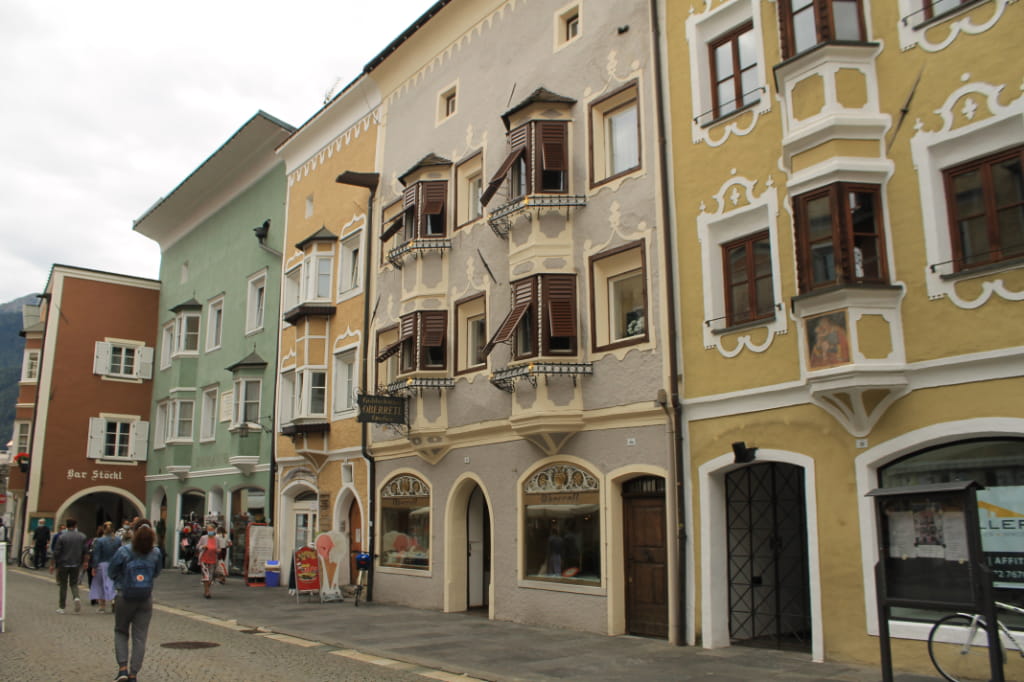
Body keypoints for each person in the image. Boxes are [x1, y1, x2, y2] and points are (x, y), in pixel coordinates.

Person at [108, 519, 162, 682]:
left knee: (121, 631)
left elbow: (111, 571)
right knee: (140, 637)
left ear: (134, 532)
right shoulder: (156, 552)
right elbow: (157, 572)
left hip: (125, 595)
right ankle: (133, 674)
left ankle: (122, 669)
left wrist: (121, 580)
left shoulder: (124, 550)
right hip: (145, 597)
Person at [50, 517, 87, 614]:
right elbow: (85, 551)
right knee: (74, 583)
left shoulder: (62, 537)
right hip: (76, 563)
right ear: (75, 526)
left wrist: (52, 564)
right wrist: (85, 562)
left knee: (63, 585)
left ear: (66, 526)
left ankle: (62, 607)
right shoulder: (82, 536)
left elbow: (56, 551)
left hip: (63, 563)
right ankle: (76, 597)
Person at [90, 522, 118, 613]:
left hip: (102, 564)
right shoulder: (117, 540)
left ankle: (102, 605)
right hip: (114, 563)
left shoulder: (100, 541)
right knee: (112, 583)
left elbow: (96, 555)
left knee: (101, 584)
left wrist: (94, 566)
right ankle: (114, 600)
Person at [196, 523, 224, 597]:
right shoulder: (203, 538)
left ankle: (207, 589)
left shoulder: (217, 539)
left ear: (214, 530)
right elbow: (198, 546)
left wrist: (218, 550)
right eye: (208, 529)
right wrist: (203, 547)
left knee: (211, 576)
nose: (209, 531)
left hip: (213, 559)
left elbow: (219, 548)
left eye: (211, 529)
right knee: (206, 576)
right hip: (204, 559)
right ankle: (207, 592)